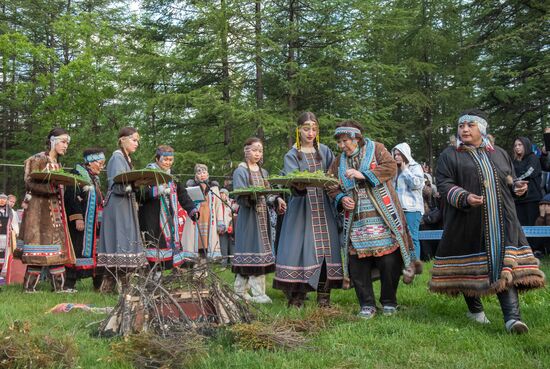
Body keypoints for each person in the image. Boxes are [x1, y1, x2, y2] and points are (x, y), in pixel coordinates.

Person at [430, 109, 545, 334]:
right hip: (466, 221)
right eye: (461, 126)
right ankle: (475, 310)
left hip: (503, 221)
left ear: (481, 129)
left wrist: (517, 188)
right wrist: (464, 197)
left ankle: (513, 319)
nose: (464, 129)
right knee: (469, 269)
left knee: (503, 264)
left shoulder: (500, 153)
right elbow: (443, 184)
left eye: (470, 125)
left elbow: (509, 179)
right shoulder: (450, 155)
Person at [327, 120, 420, 319]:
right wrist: (341, 198)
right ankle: (366, 304)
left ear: (357, 138)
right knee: (357, 263)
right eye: (339, 142)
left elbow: (390, 167)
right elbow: (330, 184)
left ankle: (389, 301)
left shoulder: (376, 149)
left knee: (388, 260)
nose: (342, 146)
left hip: (382, 216)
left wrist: (364, 174)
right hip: (356, 220)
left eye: (345, 141)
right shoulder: (338, 162)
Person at [274, 112, 342, 308]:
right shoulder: (292, 154)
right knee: (299, 250)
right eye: (306, 128)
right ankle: (296, 297)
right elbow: (292, 180)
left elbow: (333, 175)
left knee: (326, 251)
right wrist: (300, 185)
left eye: (314, 129)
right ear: (298, 130)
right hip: (301, 209)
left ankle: (324, 297)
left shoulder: (326, 151)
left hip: (324, 207)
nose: (310, 132)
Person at [18, 128, 75, 292]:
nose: (66, 146)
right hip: (39, 211)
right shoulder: (37, 159)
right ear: (52, 141)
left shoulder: (57, 163)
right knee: (38, 247)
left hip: (55, 211)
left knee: (56, 249)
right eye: (63, 142)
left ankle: (59, 287)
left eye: (67, 143)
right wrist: (52, 188)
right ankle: (29, 288)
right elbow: (29, 182)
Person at [232, 137, 286, 303]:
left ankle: (241, 291)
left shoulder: (264, 173)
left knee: (260, 253)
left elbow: (268, 194)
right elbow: (240, 195)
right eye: (254, 150)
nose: (257, 153)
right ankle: (255, 293)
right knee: (249, 252)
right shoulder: (240, 171)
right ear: (246, 151)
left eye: (260, 150)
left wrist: (277, 200)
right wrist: (253, 196)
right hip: (249, 219)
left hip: (263, 218)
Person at [97, 127, 147, 292]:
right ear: (122, 140)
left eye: (137, 140)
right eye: (134, 139)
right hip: (118, 206)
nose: (136, 143)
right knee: (121, 241)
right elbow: (117, 186)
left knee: (124, 241)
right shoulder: (117, 158)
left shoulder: (126, 159)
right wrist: (135, 184)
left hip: (125, 204)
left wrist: (136, 185)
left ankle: (111, 286)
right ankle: (121, 286)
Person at [138, 145, 198, 271]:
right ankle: (153, 279)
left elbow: (182, 194)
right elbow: (139, 194)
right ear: (157, 159)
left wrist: (192, 210)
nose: (168, 163)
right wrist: (156, 190)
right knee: (155, 248)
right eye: (165, 160)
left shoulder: (172, 175)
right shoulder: (147, 173)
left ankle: (165, 278)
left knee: (168, 248)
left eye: (170, 160)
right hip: (152, 219)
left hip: (169, 218)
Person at [63, 148, 106, 292]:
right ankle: (69, 284)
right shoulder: (77, 175)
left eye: (102, 163)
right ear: (89, 162)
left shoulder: (94, 178)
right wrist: (78, 218)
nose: (101, 166)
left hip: (95, 224)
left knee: (97, 252)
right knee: (77, 249)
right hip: (82, 222)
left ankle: (98, 285)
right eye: (100, 163)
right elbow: (71, 197)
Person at [392, 143, 425, 260]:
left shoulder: (415, 167)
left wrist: (405, 170)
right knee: (399, 237)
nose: (396, 157)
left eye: (399, 154)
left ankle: (415, 268)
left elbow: (417, 184)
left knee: (411, 237)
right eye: (395, 154)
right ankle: (404, 265)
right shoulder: (394, 170)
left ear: (405, 154)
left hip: (412, 209)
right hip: (397, 209)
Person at [512, 137, 543, 256]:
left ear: (526, 145)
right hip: (518, 198)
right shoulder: (514, 161)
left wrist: (515, 180)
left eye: (520, 144)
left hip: (532, 197)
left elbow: (529, 172)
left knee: (533, 224)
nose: (517, 147)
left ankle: (535, 249)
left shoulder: (532, 158)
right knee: (520, 224)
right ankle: (523, 249)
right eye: (515, 145)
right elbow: (509, 174)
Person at [185, 164, 224, 260]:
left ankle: (205, 270)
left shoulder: (213, 188)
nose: (202, 174)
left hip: (209, 219)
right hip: (196, 218)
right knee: (196, 244)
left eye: (204, 172)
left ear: (208, 174)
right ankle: (196, 270)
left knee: (207, 245)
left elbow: (218, 206)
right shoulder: (191, 187)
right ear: (195, 175)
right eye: (199, 172)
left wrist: (220, 222)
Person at [0, 193, 17, 286]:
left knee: (4, 259)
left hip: (5, 239)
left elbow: (14, 225)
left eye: (4, 199)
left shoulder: (11, 212)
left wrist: (14, 233)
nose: (2, 201)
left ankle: (1, 280)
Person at [218, 188, 234, 270]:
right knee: (223, 247)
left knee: (232, 247)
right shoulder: (218, 204)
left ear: (227, 194)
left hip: (231, 229)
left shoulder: (232, 203)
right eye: (220, 193)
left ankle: (232, 264)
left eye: (222, 193)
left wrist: (232, 225)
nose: (221, 195)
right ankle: (223, 264)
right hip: (222, 229)